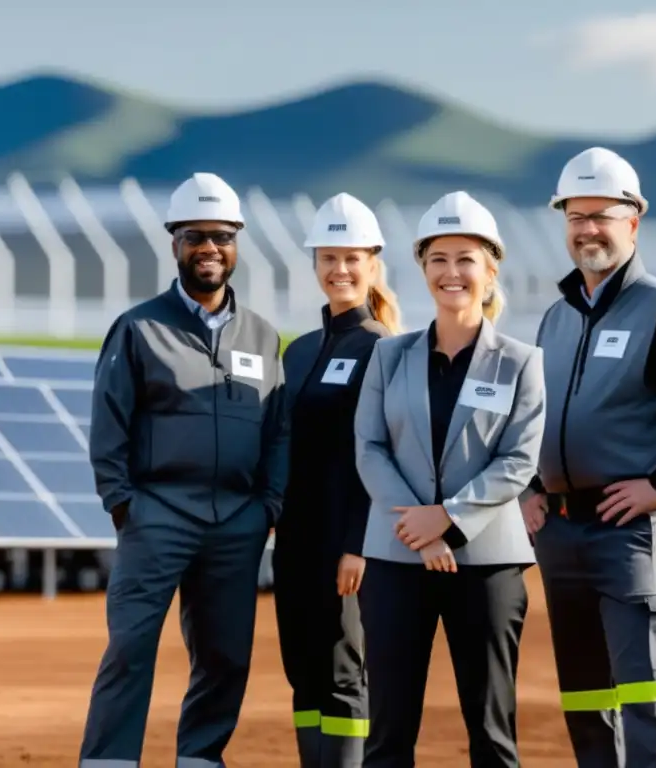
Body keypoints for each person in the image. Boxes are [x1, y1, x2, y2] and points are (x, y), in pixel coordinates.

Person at [521, 147, 656, 768]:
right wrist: (530, 489)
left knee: (648, 692)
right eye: (575, 216)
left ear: (634, 221)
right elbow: (533, 415)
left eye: (601, 216)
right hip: (560, 533)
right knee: (586, 697)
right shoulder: (555, 318)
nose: (587, 228)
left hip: (629, 533)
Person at [79, 172, 290, 768]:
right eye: (195, 236)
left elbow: (278, 430)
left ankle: (200, 758)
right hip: (158, 516)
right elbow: (108, 424)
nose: (209, 248)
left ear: (237, 243)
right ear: (174, 241)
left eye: (222, 236)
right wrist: (125, 506)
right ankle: (110, 761)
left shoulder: (262, 336)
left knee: (226, 655)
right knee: (131, 647)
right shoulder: (139, 328)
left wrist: (267, 506)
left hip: (237, 523)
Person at [353, 190, 547, 767]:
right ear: (423, 269)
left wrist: (450, 521)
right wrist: (420, 528)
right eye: (438, 258)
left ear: (490, 271)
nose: (451, 272)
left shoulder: (520, 361)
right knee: (387, 732)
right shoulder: (389, 357)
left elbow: (518, 460)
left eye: (466, 259)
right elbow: (368, 446)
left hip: (486, 564)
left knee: (492, 732)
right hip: (394, 558)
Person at [273, 192, 403, 767]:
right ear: (315, 265)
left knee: (343, 671)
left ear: (372, 263)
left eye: (352, 258)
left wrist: (358, 544)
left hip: (346, 546)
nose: (340, 270)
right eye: (328, 258)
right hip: (294, 543)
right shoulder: (298, 352)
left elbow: (381, 456)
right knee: (302, 669)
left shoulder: (382, 347)